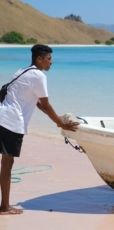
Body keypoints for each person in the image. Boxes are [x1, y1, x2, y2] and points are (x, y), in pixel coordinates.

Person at [0, 44, 79, 215]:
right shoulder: (38, 76)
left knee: (6, 163)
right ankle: (4, 207)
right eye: (49, 59)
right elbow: (45, 104)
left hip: (2, 117)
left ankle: (4, 205)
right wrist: (61, 123)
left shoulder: (22, 71)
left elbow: (37, 103)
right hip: (11, 122)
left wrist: (57, 121)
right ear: (39, 59)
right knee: (7, 163)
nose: (51, 62)